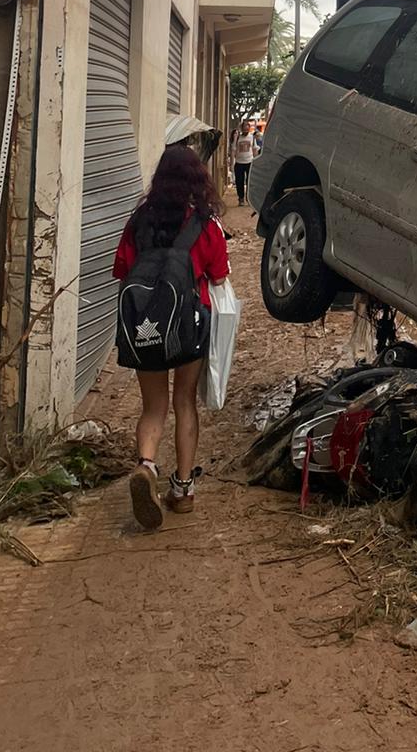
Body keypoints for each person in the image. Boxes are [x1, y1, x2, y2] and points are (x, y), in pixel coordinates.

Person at [113, 145, 229, 528]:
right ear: (198, 179)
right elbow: (219, 277)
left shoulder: (138, 222)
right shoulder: (205, 224)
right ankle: (182, 489)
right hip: (188, 328)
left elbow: (123, 273)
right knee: (184, 403)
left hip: (145, 327)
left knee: (152, 407)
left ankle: (146, 467)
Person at [231, 120, 256, 207]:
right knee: (239, 182)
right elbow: (233, 149)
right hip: (239, 162)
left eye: (247, 129)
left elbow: (254, 149)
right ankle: (241, 198)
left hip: (249, 162)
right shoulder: (237, 137)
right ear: (241, 129)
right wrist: (232, 164)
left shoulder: (252, 137)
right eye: (244, 129)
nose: (246, 130)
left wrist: (256, 161)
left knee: (249, 182)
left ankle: (249, 199)